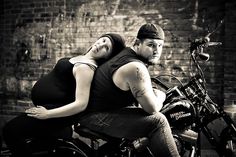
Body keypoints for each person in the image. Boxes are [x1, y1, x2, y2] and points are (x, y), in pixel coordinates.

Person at [3, 33, 126, 157]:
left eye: (107, 47)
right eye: (103, 40)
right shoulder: (84, 58)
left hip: (53, 113)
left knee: (10, 131)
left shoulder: (86, 68)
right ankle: (62, 133)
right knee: (37, 145)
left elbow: (81, 104)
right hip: (50, 108)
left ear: (108, 56)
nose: (101, 44)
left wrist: (47, 114)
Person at [77, 23, 180, 157]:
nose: (156, 51)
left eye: (160, 46)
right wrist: (161, 95)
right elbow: (152, 108)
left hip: (98, 110)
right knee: (158, 121)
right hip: (93, 116)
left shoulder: (127, 55)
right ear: (138, 43)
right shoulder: (135, 67)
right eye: (151, 45)